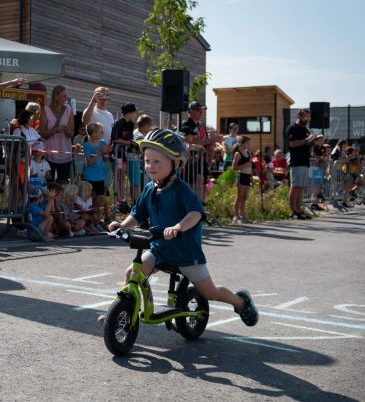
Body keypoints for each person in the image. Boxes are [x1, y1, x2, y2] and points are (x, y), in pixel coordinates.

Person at [106, 128, 259, 328]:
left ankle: (241, 302)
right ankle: (123, 314)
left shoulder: (181, 189)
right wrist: (122, 225)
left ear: (176, 163)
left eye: (157, 161)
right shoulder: (149, 189)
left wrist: (178, 227)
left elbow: (195, 213)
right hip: (160, 249)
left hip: (186, 253)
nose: (150, 166)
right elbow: (138, 214)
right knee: (132, 273)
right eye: (147, 161)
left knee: (209, 292)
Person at [40, 85, 74, 183]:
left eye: (66, 96)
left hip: (65, 153)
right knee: (48, 183)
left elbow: (71, 133)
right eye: (63, 96)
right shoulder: (45, 109)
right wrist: (55, 130)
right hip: (49, 153)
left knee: (62, 184)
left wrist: (67, 131)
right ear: (56, 96)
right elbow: (42, 133)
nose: (66, 98)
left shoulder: (68, 110)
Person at [287, 109, 316, 220]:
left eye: (309, 118)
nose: (307, 120)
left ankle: (299, 211)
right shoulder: (292, 128)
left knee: (301, 188)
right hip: (296, 162)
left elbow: (307, 143)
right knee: (295, 186)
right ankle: (293, 211)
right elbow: (292, 144)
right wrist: (306, 140)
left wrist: (313, 141)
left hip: (305, 162)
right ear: (299, 116)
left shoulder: (306, 129)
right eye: (305, 117)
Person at [83, 122, 112, 229]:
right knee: (90, 201)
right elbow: (90, 162)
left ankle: (97, 222)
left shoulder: (103, 142)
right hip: (89, 176)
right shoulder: (86, 145)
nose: (103, 133)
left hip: (100, 176)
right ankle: (90, 222)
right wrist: (100, 151)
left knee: (100, 199)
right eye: (101, 131)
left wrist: (107, 152)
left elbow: (105, 159)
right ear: (94, 134)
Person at [111, 102, 138, 212]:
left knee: (122, 176)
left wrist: (133, 145)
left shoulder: (131, 124)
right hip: (117, 154)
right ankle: (119, 200)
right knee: (118, 176)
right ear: (129, 113)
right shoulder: (119, 123)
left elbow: (129, 140)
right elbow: (115, 139)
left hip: (124, 154)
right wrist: (129, 143)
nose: (136, 115)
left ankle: (123, 200)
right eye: (134, 113)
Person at [231, 135, 252, 224]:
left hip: (247, 176)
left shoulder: (248, 152)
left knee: (245, 197)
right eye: (247, 143)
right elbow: (234, 167)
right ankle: (236, 216)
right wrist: (245, 165)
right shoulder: (238, 153)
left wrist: (251, 175)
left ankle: (242, 215)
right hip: (241, 175)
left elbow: (250, 165)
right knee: (239, 197)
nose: (249, 144)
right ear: (242, 144)